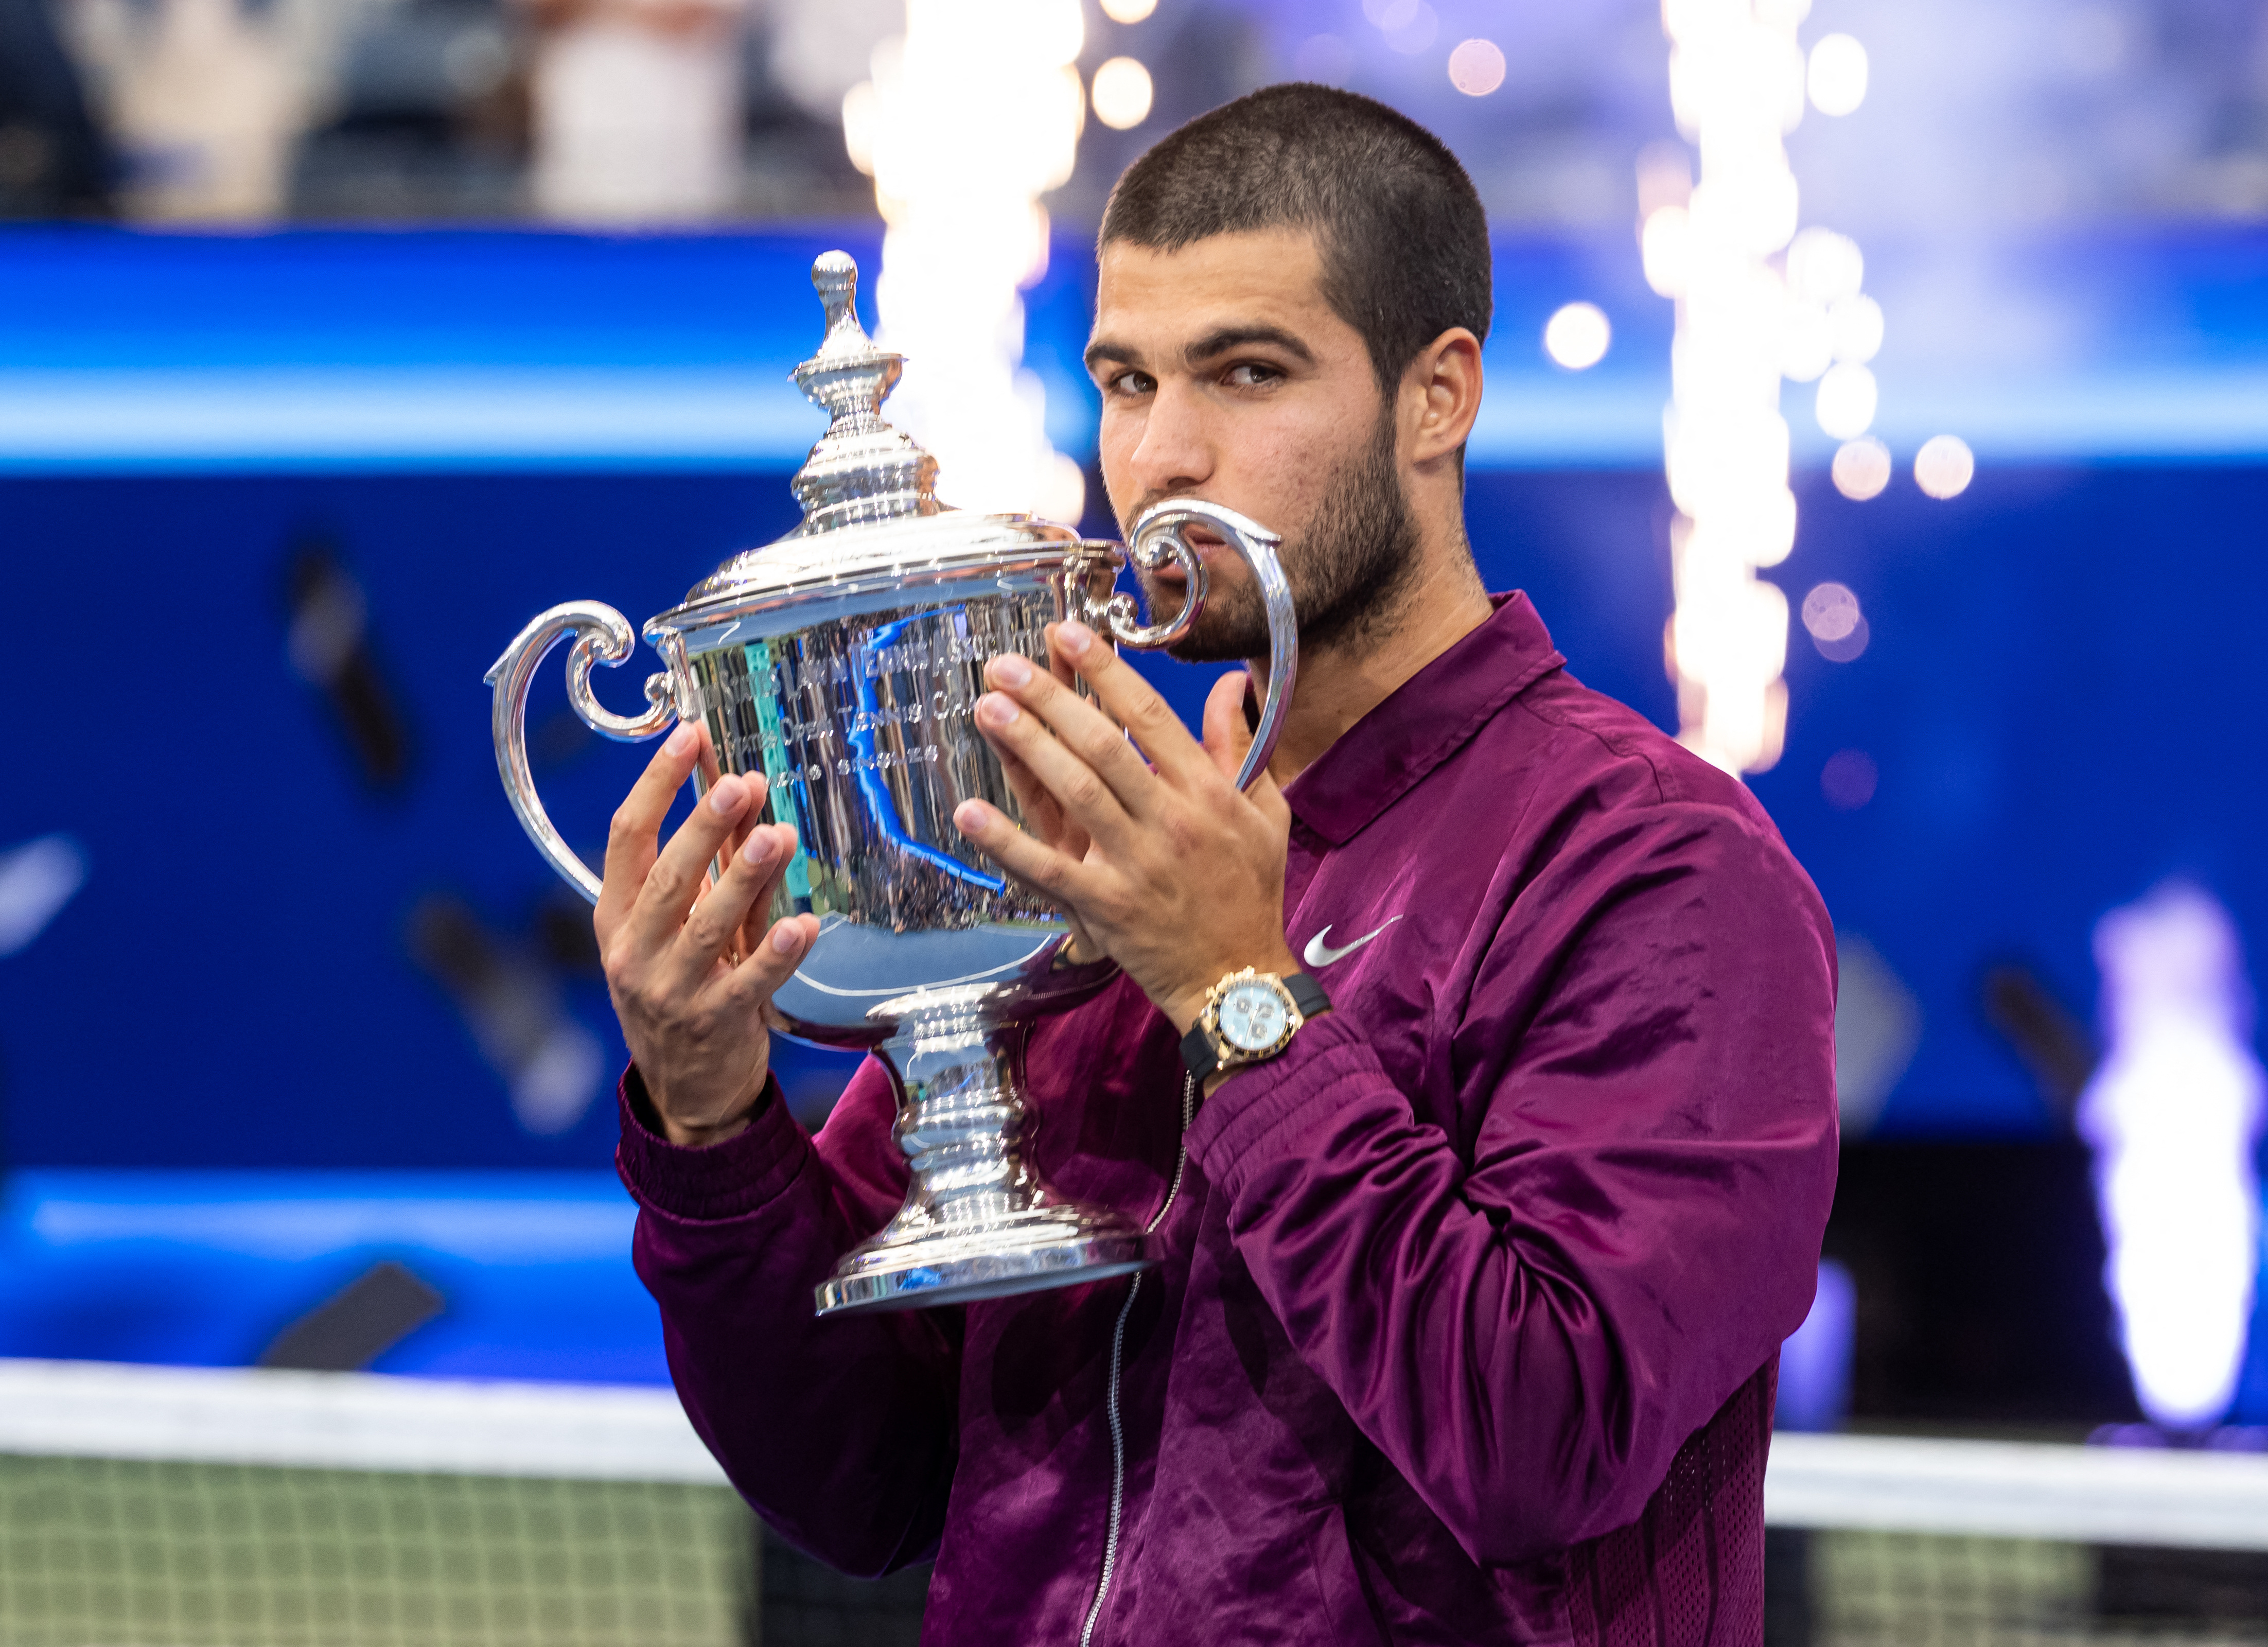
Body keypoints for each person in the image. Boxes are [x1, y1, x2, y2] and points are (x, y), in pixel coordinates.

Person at [596, 83, 1837, 1644]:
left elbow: (1546, 1439)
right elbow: (860, 1482)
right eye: (1124, 381)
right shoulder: (1064, 841)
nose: (1166, 454)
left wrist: (1236, 998)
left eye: (1249, 373)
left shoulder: (1653, 869)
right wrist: (713, 1125)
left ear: (1437, 395)